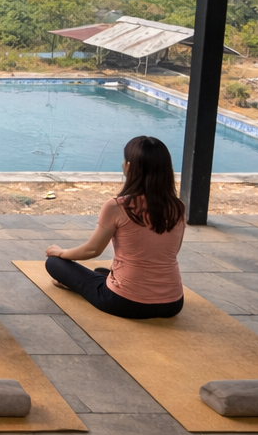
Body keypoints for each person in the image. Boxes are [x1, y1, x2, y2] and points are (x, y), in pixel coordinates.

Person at [44, 134, 186, 319]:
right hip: (172, 303)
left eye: (125, 160)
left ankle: (79, 284)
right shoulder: (178, 207)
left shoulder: (117, 206)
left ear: (129, 167)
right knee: (102, 273)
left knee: (54, 264)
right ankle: (105, 279)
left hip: (125, 302)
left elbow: (92, 250)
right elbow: (172, 251)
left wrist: (61, 253)